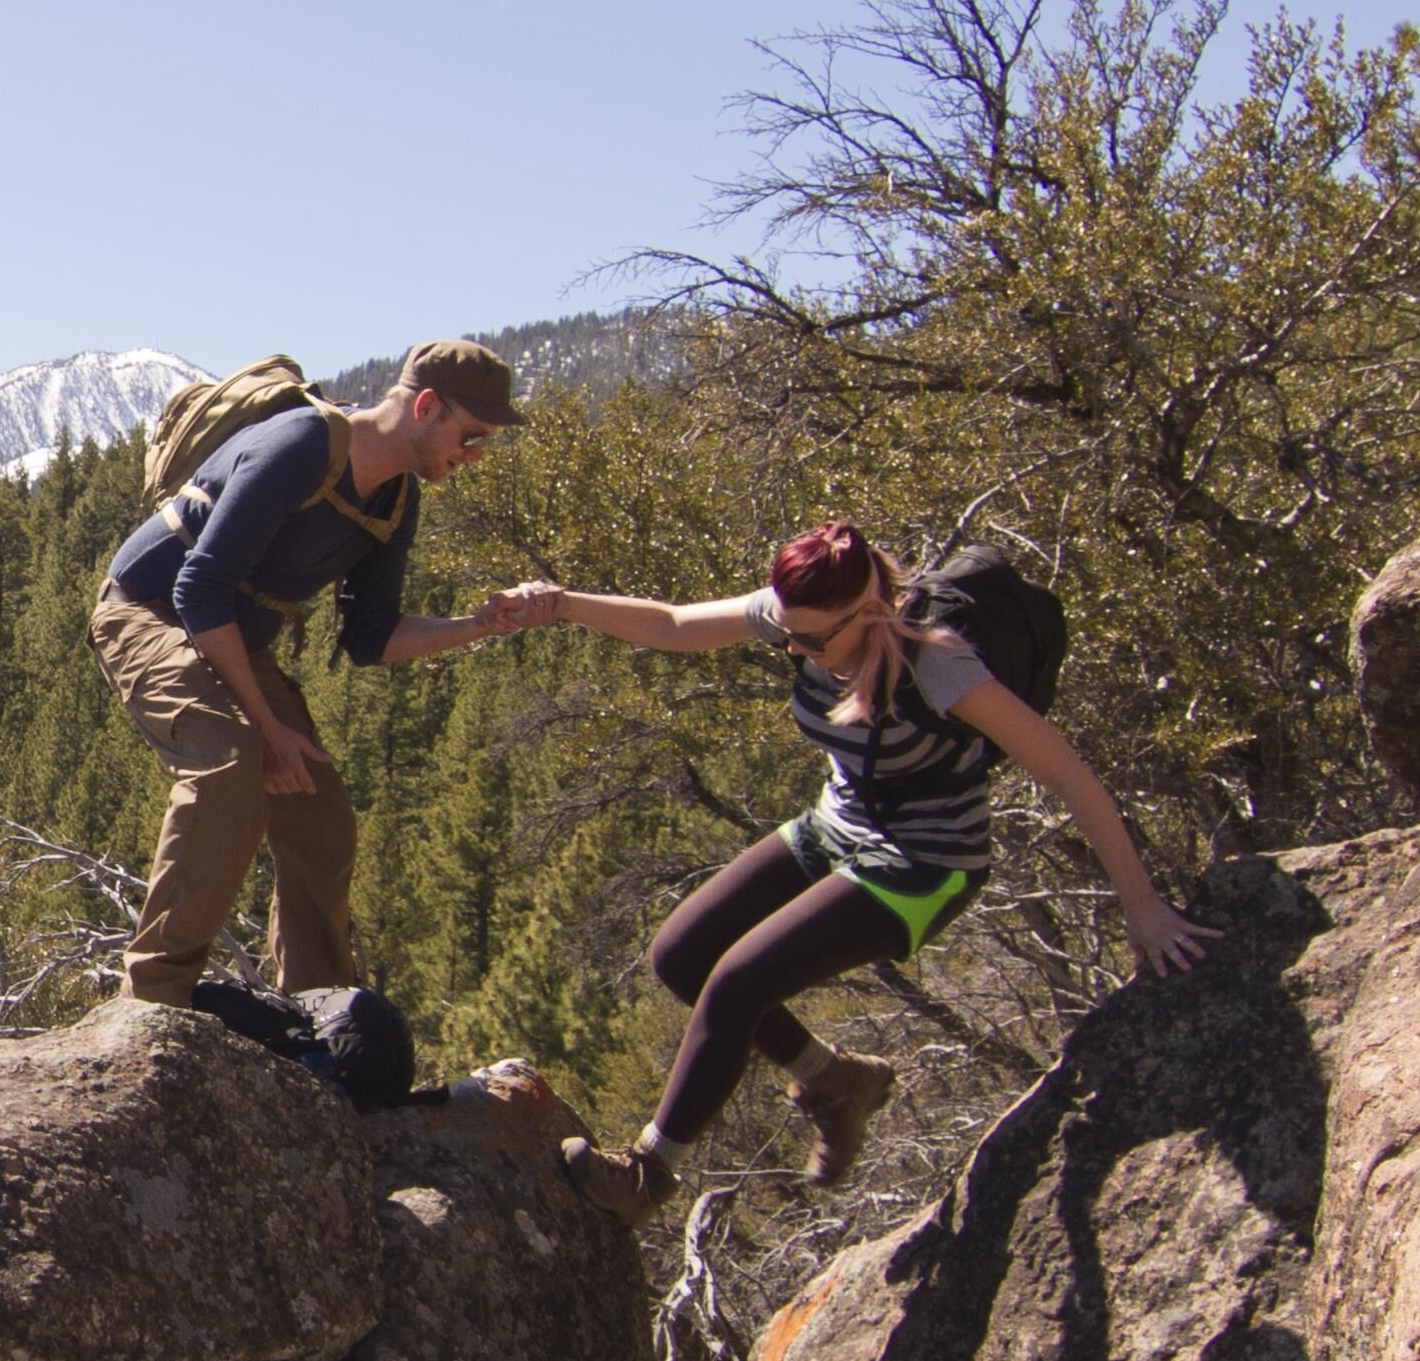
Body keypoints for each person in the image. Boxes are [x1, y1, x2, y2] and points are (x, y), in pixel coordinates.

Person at [509, 521, 1204, 1213]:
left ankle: (648, 1176)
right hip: (837, 827)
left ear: (869, 613)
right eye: (786, 631)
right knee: (681, 955)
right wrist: (563, 602)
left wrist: (1139, 904)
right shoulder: (805, 618)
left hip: (925, 863)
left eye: (809, 640)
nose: (792, 647)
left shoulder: (941, 665)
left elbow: (1069, 774)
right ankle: (836, 1082)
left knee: (738, 983)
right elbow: (672, 623)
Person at [95, 341, 540, 1009]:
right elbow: (199, 589)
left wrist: (480, 624)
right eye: (470, 435)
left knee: (320, 809)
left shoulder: (394, 502)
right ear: (425, 405)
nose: (475, 455)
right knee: (230, 762)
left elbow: (372, 636)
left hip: (225, 636)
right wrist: (269, 730)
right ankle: (154, 998)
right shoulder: (302, 443)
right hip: (146, 613)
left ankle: (322, 1003)